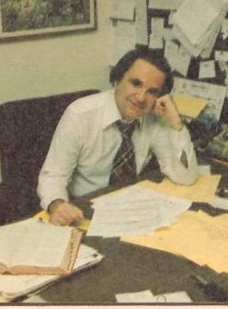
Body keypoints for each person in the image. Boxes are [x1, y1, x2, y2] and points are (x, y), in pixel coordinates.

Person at [38, 48, 199, 226]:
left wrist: (176, 121)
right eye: (136, 84)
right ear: (117, 79)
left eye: (152, 91)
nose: (141, 98)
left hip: (128, 211)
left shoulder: (153, 120)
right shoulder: (80, 115)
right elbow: (52, 177)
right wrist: (58, 205)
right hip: (84, 211)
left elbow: (186, 177)